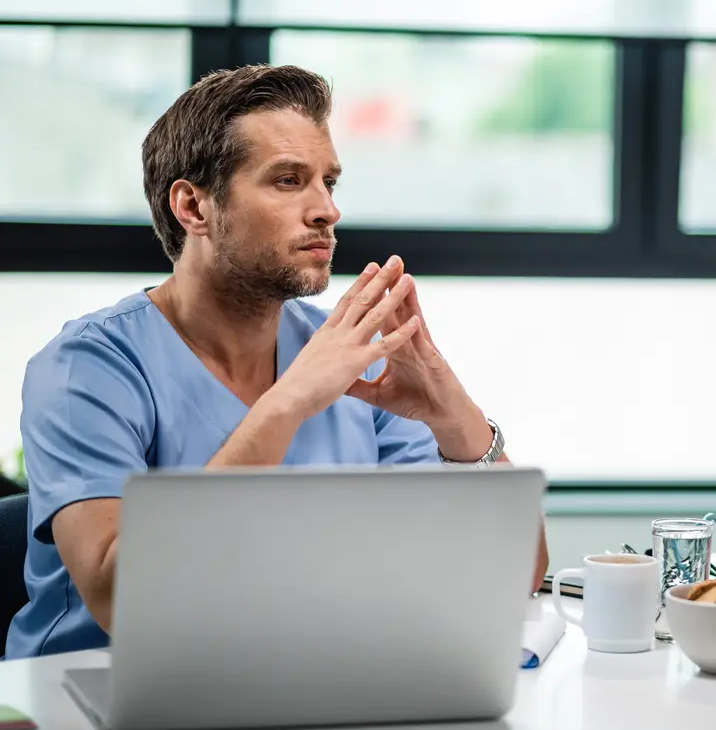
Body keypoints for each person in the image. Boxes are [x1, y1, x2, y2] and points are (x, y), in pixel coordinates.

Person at [6, 65, 549, 660]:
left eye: (330, 183)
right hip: (85, 707)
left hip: (296, 689)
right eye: (288, 181)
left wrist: (455, 418)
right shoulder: (86, 369)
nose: (326, 211)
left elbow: (509, 574)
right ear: (194, 206)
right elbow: (121, 600)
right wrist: (289, 402)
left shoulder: (353, 357)